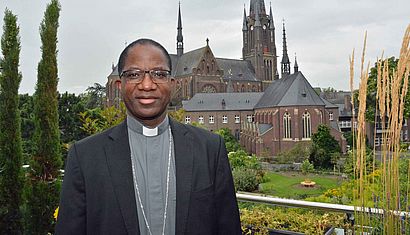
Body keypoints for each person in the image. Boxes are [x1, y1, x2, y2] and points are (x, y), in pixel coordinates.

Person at [55, 38, 241, 235]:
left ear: (172, 84)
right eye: (134, 74)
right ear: (119, 84)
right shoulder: (85, 156)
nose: (147, 85)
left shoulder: (210, 149)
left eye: (159, 74)